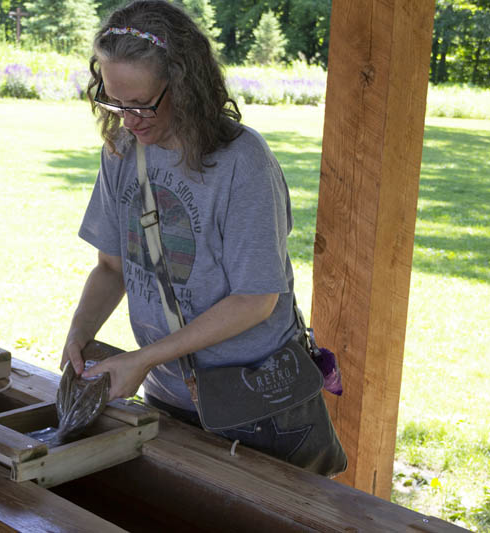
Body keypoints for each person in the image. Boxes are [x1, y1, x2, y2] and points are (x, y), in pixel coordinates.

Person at [61, 0, 329, 467]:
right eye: (113, 101)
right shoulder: (122, 150)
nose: (128, 120)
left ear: (184, 86)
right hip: (170, 396)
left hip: (259, 407)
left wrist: (144, 358)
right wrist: (79, 333)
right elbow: (111, 267)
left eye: (141, 104)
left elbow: (256, 299)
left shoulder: (241, 162)